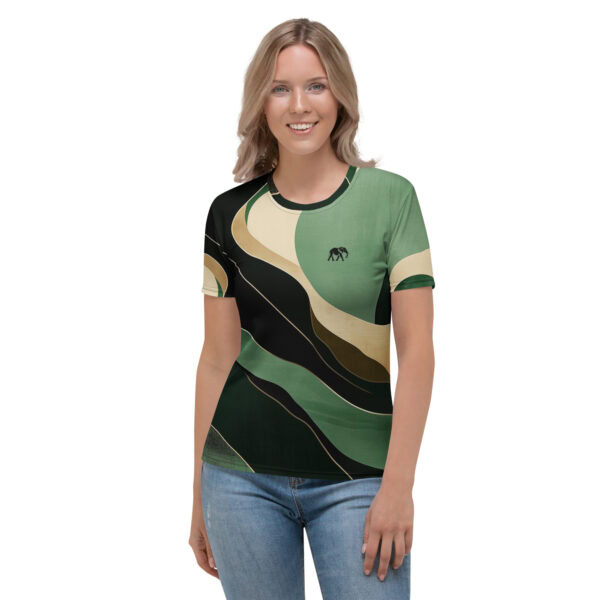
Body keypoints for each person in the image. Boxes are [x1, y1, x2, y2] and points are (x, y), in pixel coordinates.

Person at [189, 18, 436, 600]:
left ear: (340, 95)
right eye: (280, 88)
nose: (299, 105)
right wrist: (198, 494)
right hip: (240, 479)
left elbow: (418, 353)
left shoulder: (392, 200)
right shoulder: (228, 214)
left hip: (360, 481)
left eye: (316, 85)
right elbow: (216, 359)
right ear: (262, 102)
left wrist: (398, 486)